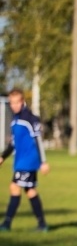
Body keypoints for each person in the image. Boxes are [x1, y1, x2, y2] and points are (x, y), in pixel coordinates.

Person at [0, 89, 50, 232]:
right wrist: (3, 156)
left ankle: (7, 223)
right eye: (12, 103)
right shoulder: (15, 120)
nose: (14, 105)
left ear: (22, 102)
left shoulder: (30, 119)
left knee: (14, 187)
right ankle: (42, 224)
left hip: (28, 161)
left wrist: (43, 162)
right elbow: (13, 143)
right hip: (20, 161)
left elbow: (38, 140)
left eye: (17, 102)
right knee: (30, 190)